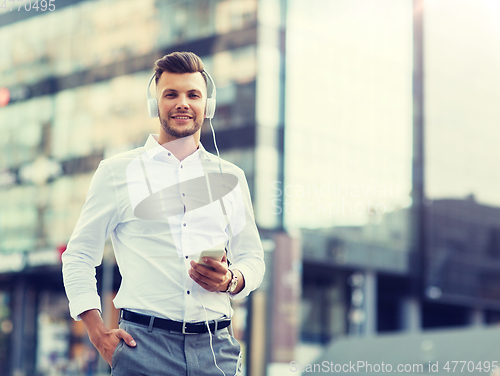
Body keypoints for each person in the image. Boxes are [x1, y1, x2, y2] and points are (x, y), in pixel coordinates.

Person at [62, 51, 265, 376]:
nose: (182, 103)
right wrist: (96, 331)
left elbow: (253, 258)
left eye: (193, 95)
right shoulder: (117, 172)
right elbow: (78, 257)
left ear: (206, 105)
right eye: (171, 94)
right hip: (142, 349)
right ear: (155, 104)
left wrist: (231, 280)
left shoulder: (232, 177)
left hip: (216, 350)